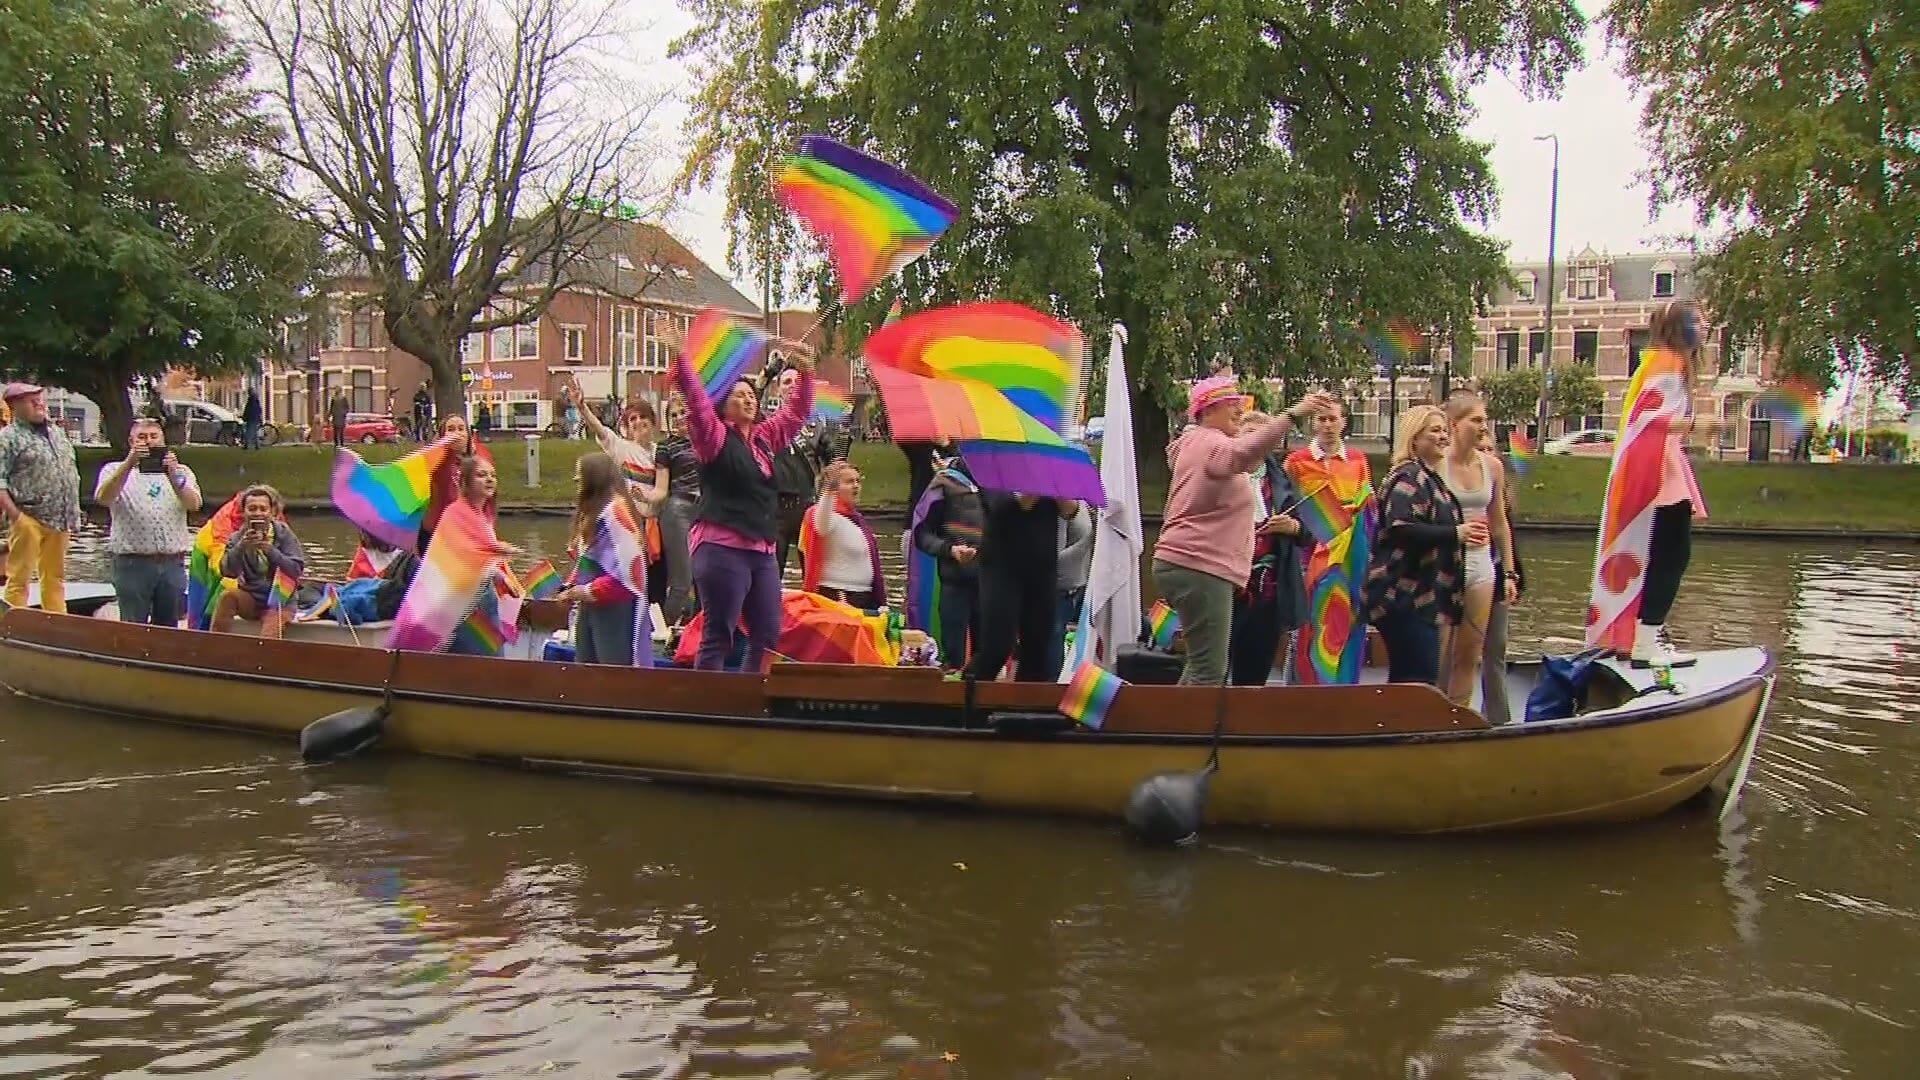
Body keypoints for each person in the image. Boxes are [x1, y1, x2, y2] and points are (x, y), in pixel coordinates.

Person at [1150, 373, 1333, 686]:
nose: (1238, 409)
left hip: (1188, 564)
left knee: (1201, 665)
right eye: (1231, 404)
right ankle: (1186, 732)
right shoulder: (1211, 442)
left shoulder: (1196, 443)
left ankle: (1179, 727)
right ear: (1207, 411)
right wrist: (1293, 414)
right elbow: (1242, 453)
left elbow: (1245, 459)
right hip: (1200, 565)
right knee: (1209, 671)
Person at [664, 322, 815, 672]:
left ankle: (749, 698)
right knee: (719, 632)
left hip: (760, 550)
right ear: (724, 406)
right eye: (739, 396)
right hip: (721, 547)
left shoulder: (764, 438)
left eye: (751, 395)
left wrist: (806, 374)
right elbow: (699, 406)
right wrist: (681, 358)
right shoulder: (713, 437)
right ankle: (709, 708)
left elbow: (795, 414)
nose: (748, 399)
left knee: (767, 633)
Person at [1625, 300, 1711, 668]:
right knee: (1671, 555)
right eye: (1697, 320)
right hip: (1660, 470)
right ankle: (1646, 639)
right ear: (1680, 328)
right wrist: (1698, 426)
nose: (1705, 325)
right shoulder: (1669, 365)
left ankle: (1644, 635)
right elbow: (1643, 418)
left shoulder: (1664, 362)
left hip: (1663, 464)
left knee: (1663, 553)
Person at [1362, 405, 1472, 686]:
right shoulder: (1408, 476)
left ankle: (1396, 726)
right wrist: (1455, 533)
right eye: (1435, 430)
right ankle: (1402, 727)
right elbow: (1401, 528)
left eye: (1445, 430)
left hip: (1424, 596)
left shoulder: (1430, 478)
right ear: (1414, 439)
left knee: (1411, 677)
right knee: (1417, 678)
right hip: (1402, 595)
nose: (1444, 436)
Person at [1283, 398, 1373, 685]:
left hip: (1347, 558)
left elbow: (1367, 506)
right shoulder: (1296, 462)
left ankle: (1341, 685)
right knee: (1306, 625)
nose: (1328, 425)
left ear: (1343, 422)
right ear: (1313, 423)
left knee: (1345, 617)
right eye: (1321, 419)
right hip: (1308, 556)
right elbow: (1287, 505)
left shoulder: (1358, 459)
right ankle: (1299, 689)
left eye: (1333, 419)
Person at [1438, 392, 1518, 707]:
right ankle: (1433, 714)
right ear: (1454, 424)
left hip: (1481, 564)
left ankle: (1460, 715)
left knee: (1470, 652)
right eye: (1476, 420)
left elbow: (1499, 523)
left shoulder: (1493, 467)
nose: (1483, 427)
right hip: (1443, 564)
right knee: (1440, 652)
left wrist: (1509, 573)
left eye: (1485, 419)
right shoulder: (1436, 465)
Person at [95, 417, 202, 626]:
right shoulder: (113, 469)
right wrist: (129, 463)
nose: (149, 442)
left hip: (172, 562)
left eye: (154, 437)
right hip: (132, 563)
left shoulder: (182, 472)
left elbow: (194, 504)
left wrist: (173, 475)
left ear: (162, 440)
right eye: (142, 437)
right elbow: (104, 498)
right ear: (131, 441)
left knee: (169, 624)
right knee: (133, 623)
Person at [966, 493, 1079, 683]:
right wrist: (1041, 484)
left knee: (1038, 645)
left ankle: (1024, 704)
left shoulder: (1051, 472)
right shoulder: (998, 467)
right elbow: (1009, 505)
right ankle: (967, 697)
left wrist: (1056, 487)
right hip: (1001, 566)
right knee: (998, 645)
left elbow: (1070, 511)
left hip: (1042, 567)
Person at [1229, 437, 1310, 686]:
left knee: (1255, 668)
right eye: (1251, 433)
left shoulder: (1282, 482)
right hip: (1225, 582)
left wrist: (1293, 526)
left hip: (1269, 588)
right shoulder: (1221, 475)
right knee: (1213, 665)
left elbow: (1308, 531)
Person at [557, 452, 650, 666]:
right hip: (591, 601)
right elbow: (588, 560)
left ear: (593, 477)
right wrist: (571, 586)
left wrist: (585, 591)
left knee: (611, 670)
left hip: (614, 604)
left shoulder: (615, 513)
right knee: (586, 666)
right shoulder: (595, 513)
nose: (576, 480)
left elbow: (627, 576)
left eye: (579, 474)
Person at [0, 383, 82, 614]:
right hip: (28, 517)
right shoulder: (8, 438)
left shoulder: (56, 432)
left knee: (55, 577)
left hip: (61, 517)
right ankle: (13, 625)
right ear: (14, 406)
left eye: (40, 398)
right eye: (30, 400)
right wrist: (17, 517)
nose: (39, 403)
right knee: (19, 577)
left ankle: (57, 623)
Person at [911, 453, 985, 670]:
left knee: (989, 656)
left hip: (991, 582)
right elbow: (922, 534)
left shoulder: (1002, 483)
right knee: (954, 657)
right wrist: (950, 550)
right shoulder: (944, 482)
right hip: (955, 581)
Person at [766, 366, 835, 577]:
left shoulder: (819, 426)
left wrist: (828, 499)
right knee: (770, 574)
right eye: (787, 382)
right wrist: (766, 374)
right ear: (778, 389)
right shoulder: (768, 423)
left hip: (808, 507)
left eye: (797, 381)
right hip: (775, 509)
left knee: (813, 573)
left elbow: (833, 462)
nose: (792, 386)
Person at [211, 485, 305, 634]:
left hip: (280, 600)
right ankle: (216, 646)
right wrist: (241, 546)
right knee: (227, 596)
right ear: (244, 512)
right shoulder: (237, 537)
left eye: (263, 509)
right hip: (251, 598)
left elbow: (296, 570)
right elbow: (228, 571)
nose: (258, 513)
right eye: (252, 509)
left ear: (272, 512)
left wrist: (270, 550)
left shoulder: (285, 535)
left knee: (269, 633)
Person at [1478, 426, 1524, 723]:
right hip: (1463, 576)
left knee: (1495, 649)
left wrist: (1513, 576)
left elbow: (1507, 537)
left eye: (1488, 450)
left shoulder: (1500, 496)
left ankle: (1498, 718)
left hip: (1495, 577)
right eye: (1478, 450)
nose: (1484, 456)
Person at [800, 460, 886, 609]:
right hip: (839, 596)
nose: (856, 485)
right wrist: (828, 491)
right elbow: (822, 519)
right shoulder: (824, 516)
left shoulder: (858, 520)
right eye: (849, 482)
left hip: (865, 596)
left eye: (858, 481)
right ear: (833, 489)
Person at [654, 396, 701, 624]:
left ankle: (693, 631)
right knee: (683, 579)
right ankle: (664, 629)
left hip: (706, 512)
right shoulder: (666, 446)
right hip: (679, 509)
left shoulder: (707, 440)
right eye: (673, 414)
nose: (679, 418)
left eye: (683, 411)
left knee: (706, 577)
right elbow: (661, 489)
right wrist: (643, 498)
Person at [420, 414, 495, 549]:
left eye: (461, 429)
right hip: (437, 530)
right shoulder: (435, 460)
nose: (457, 433)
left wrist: (487, 525)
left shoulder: (481, 457)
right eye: (451, 429)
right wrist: (442, 447)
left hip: (471, 529)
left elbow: (488, 496)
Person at [1053, 498, 1094, 673]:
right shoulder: (1060, 507)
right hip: (1059, 587)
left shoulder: (1081, 504)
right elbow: (1055, 555)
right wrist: (1087, 542)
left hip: (1077, 586)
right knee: (1053, 636)